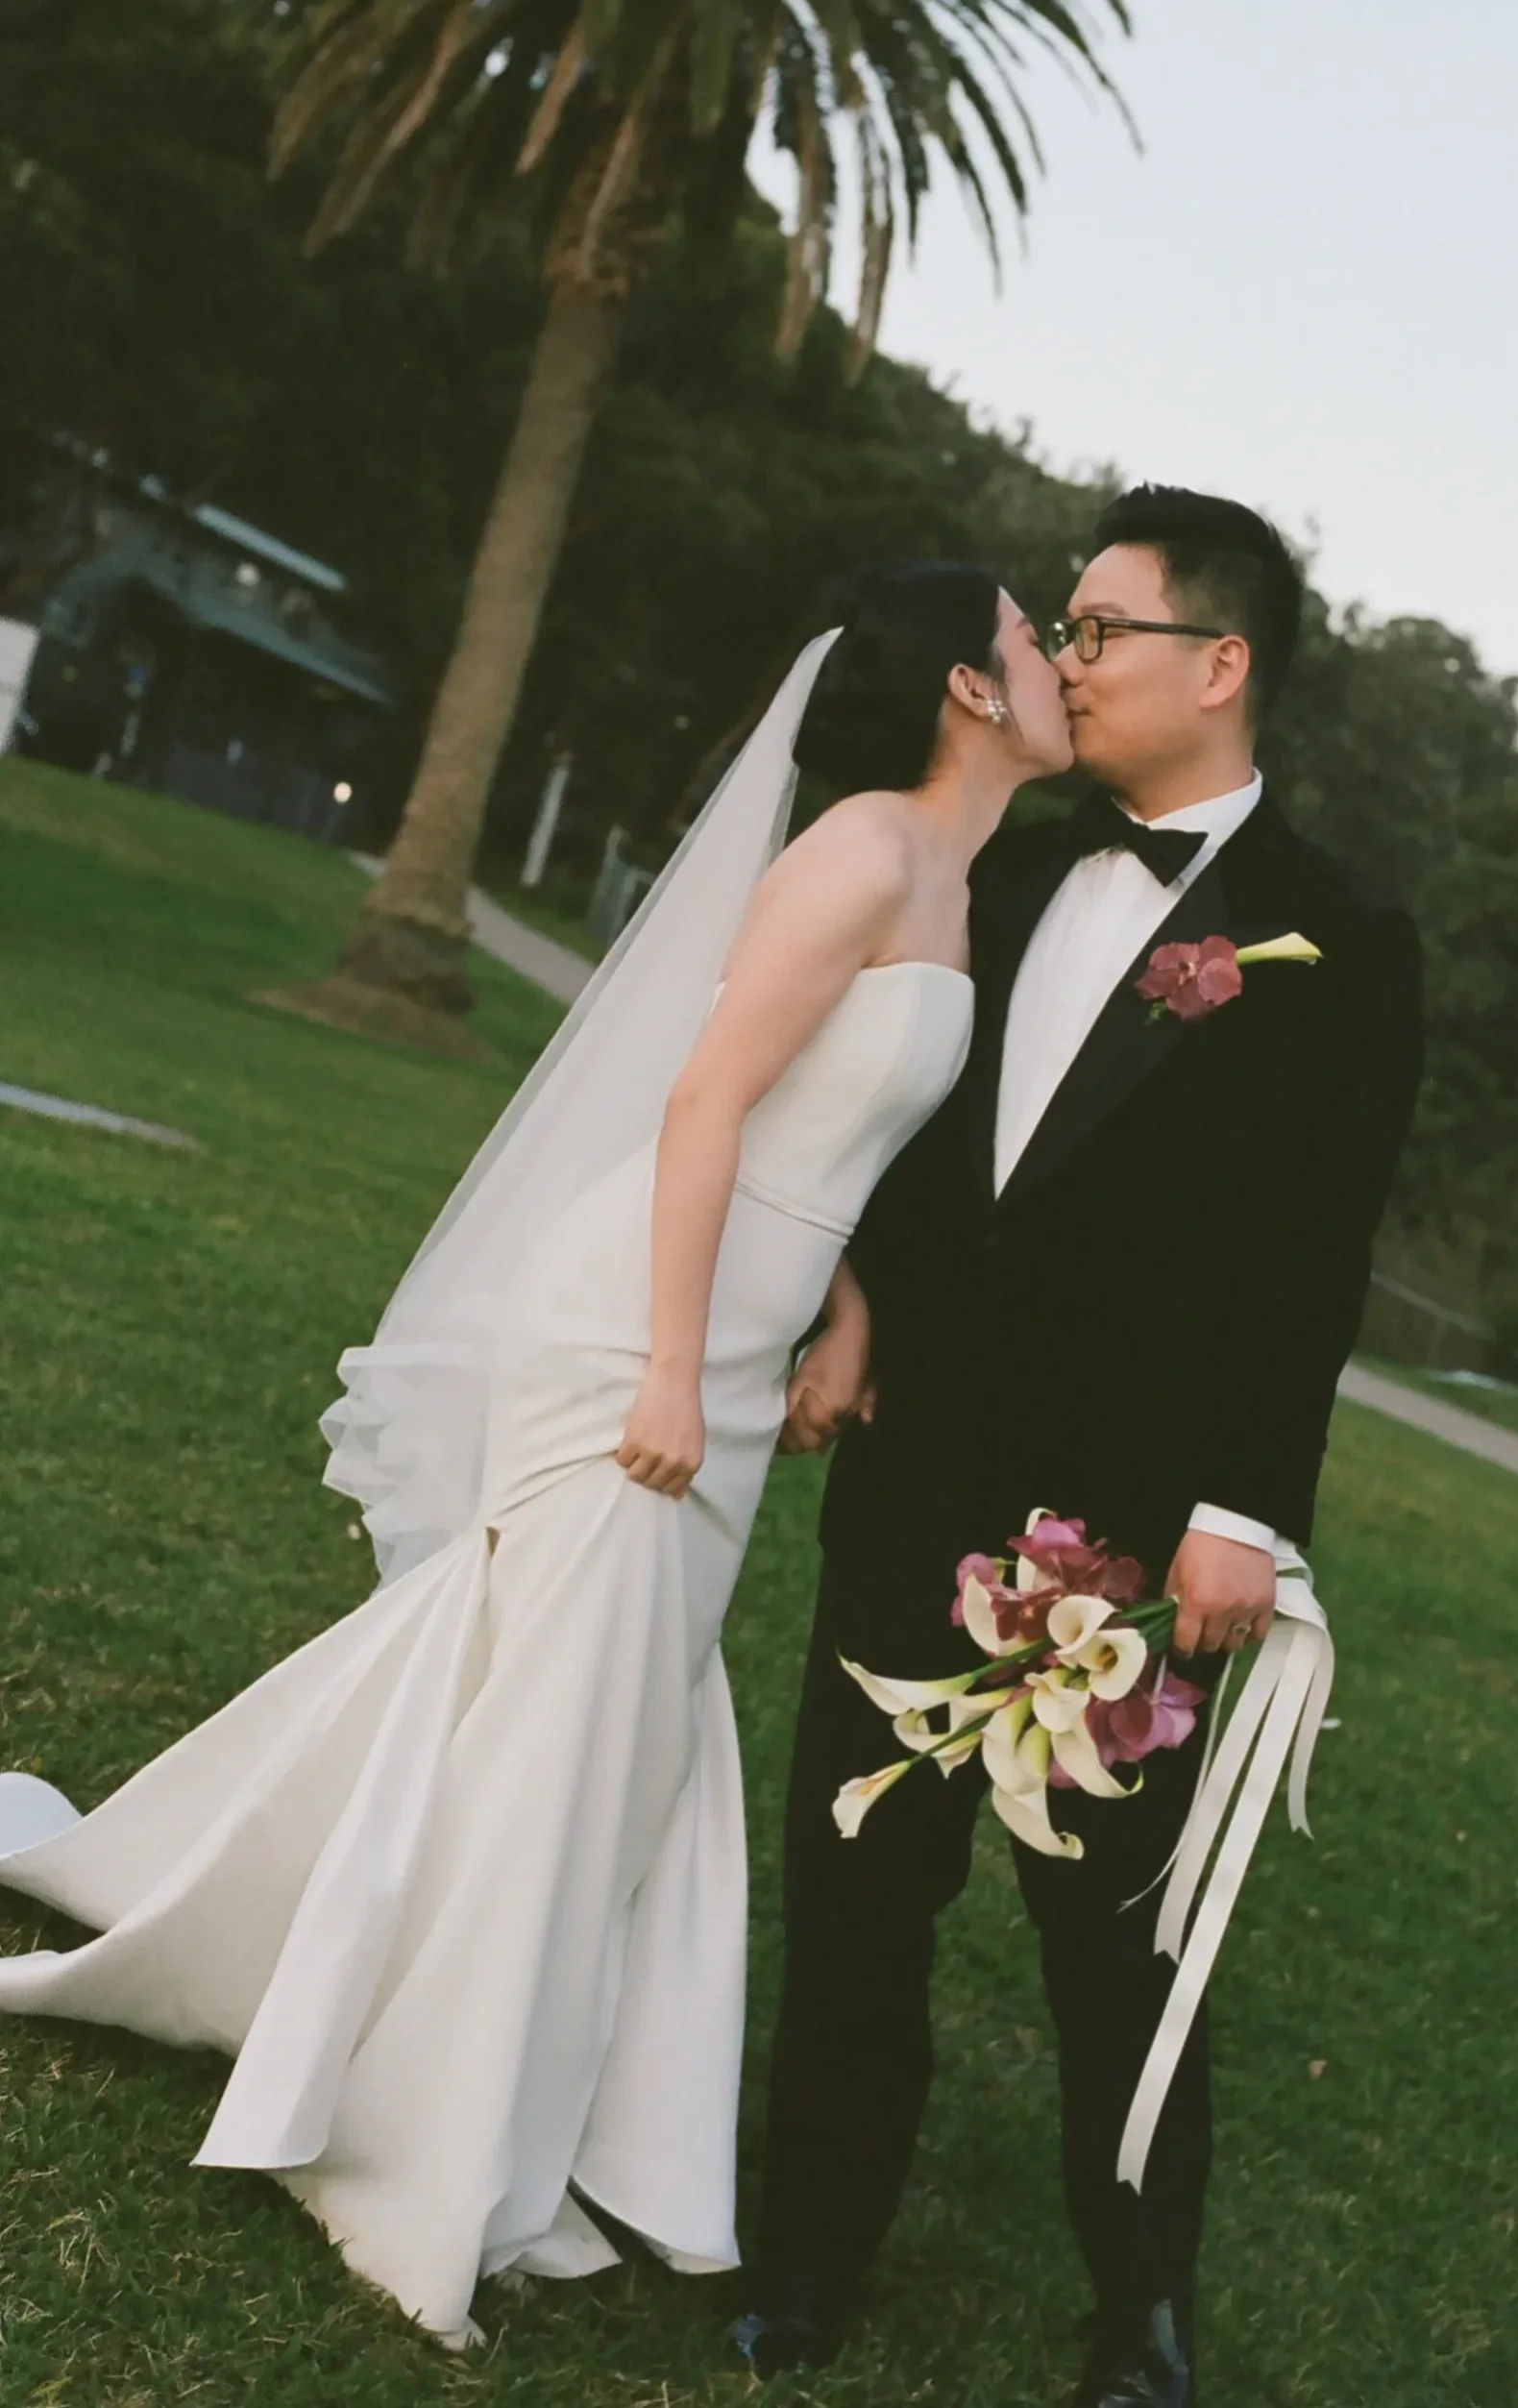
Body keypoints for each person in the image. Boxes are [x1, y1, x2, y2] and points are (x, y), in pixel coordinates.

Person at [0, 564, 1071, 2349]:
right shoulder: (864, 853)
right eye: (1040, 638)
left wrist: (847, 1309)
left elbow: (829, 1117)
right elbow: (705, 1096)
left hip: (745, 1332)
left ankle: (473, 2060)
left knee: (591, 1723)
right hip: (638, 1334)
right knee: (569, 1718)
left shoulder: (953, 872)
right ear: (970, 685)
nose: (1060, 663)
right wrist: (666, 1362)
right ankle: (419, 2135)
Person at [742, 487, 1426, 2407]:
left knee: (1119, 1953)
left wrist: (1239, 1519)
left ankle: (1138, 2318)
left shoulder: (1342, 938)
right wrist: (857, 1293)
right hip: (917, 1481)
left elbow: (1311, 1265)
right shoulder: (1017, 865)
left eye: (1105, 627)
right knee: (859, 1894)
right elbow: (900, 1123)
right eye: (1066, 623)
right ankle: (804, 2268)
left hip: (1124, 1548)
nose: (1070, 654)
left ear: (1223, 664)